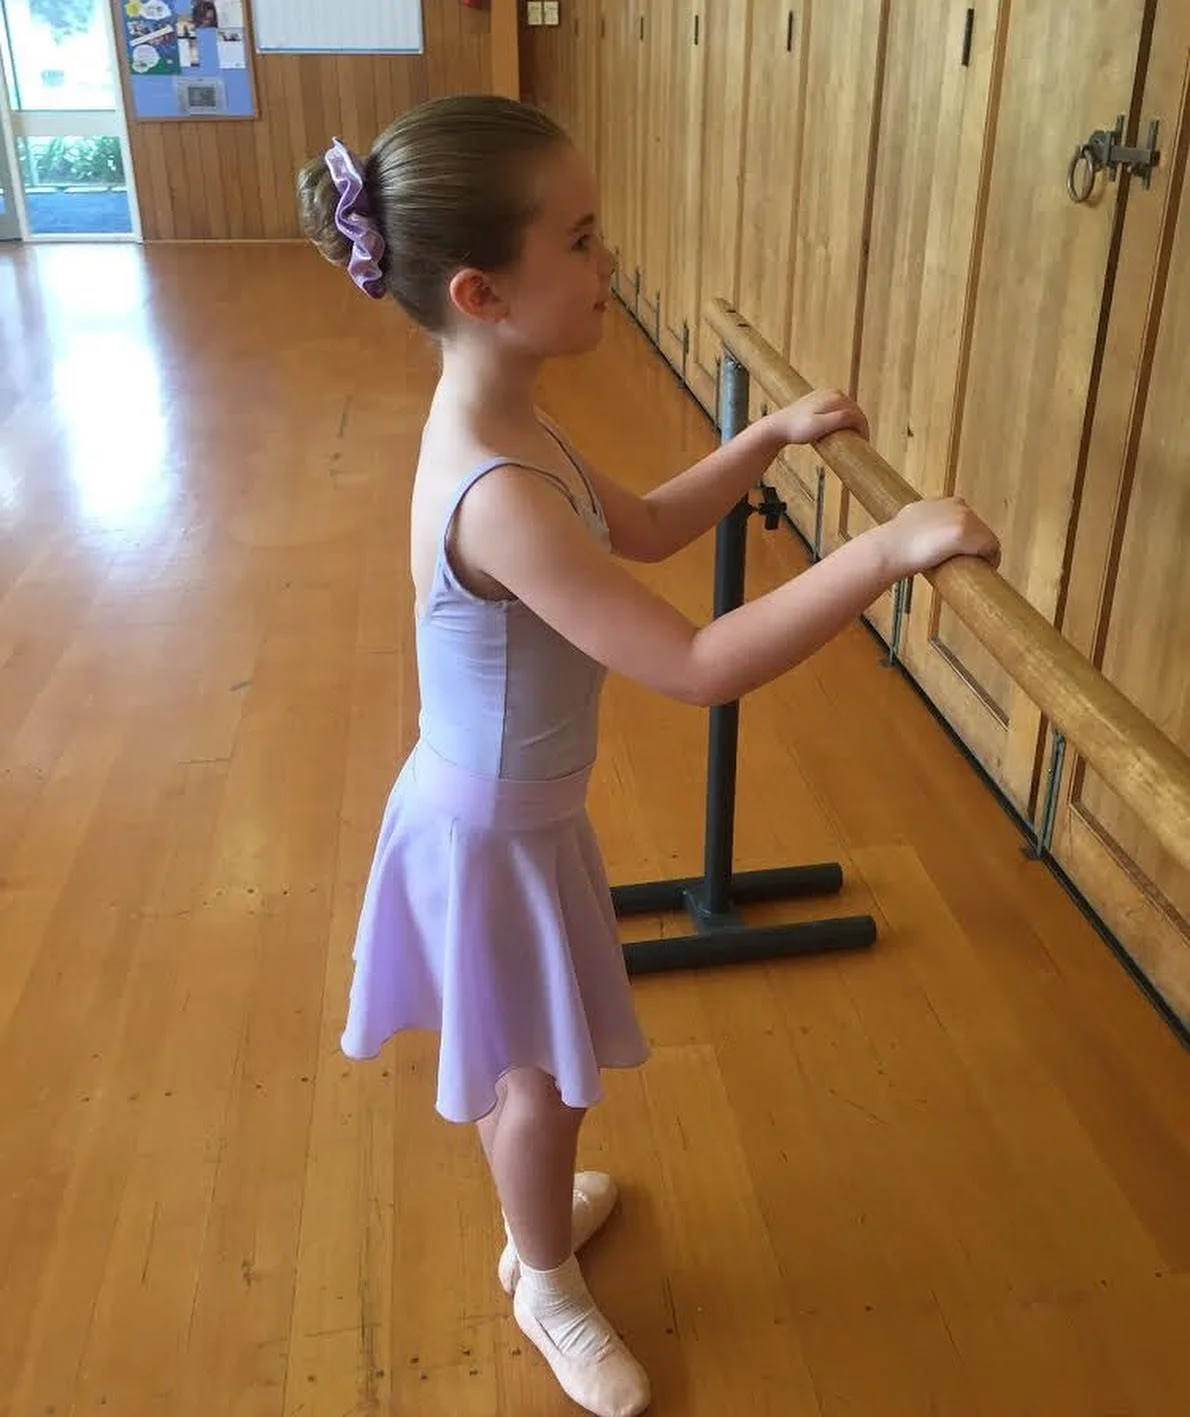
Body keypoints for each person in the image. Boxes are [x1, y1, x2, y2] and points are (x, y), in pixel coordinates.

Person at [297, 95, 1000, 1417]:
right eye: (581, 238)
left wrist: (765, 438)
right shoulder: (493, 491)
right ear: (481, 289)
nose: (610, 259)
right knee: (543, 1082)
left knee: (540, 1075)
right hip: (490, 832)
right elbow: (692, 667)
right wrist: (882, 554)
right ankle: (541, 1270)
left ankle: (538, 1200)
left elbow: (653, 526)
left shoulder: (517, 426)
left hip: (515, 816)